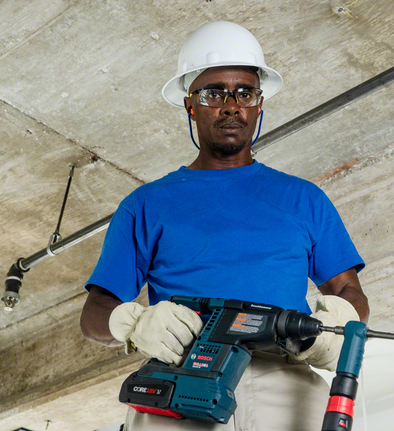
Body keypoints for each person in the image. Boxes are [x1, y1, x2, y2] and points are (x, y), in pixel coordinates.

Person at [80, 21, 369, 431]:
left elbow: (349, 291)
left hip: (285, 385)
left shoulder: (305, 199)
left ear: (259, 104)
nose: (231, 105)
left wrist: (337, 325)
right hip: (182, 381)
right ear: (190, 104)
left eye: (244, 93)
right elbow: (93, 314)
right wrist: (135, 323)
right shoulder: (146, 205)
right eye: (214, 92)